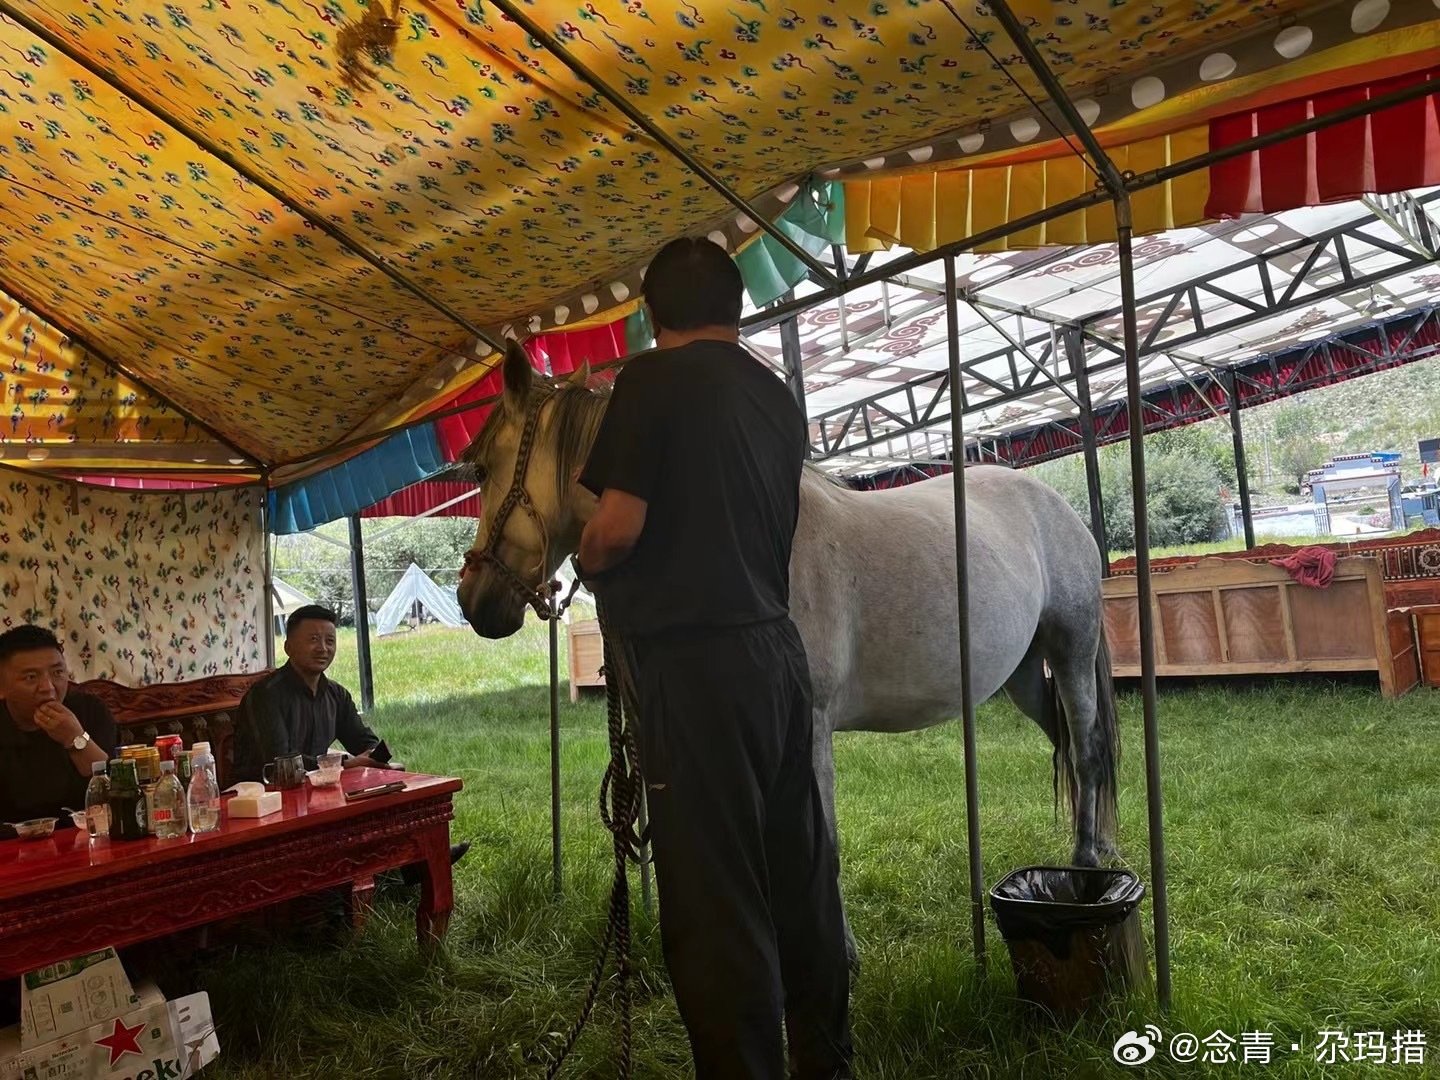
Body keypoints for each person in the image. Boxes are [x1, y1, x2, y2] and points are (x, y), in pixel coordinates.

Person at [575, 237, 853, 1080]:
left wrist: (585, 556)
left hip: (696, 671)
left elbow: (619, 525)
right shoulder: (778, 398)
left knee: (714, 899)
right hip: (776, 655)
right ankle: (826, 1064)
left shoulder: (649, 380)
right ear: (737, 307)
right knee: (797, 873)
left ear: (654, 315)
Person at [234, 604, 469, 872]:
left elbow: (363, 741)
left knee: (391, 786)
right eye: (313, 639)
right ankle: (402, 866)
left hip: (316, 791)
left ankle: (415, 860)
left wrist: (378, 761)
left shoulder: (336, 695)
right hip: (262, 799)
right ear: (288, 648)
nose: (323, 648)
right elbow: (280, 762)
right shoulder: (267, 695)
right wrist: (345, 765)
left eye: (330, 640)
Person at [0, 625, 117, 835]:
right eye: (30, 677)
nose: (48, 687)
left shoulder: (90, 710)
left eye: (57, 672)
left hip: (88, 838)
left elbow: (114, 789)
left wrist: (75, 738)